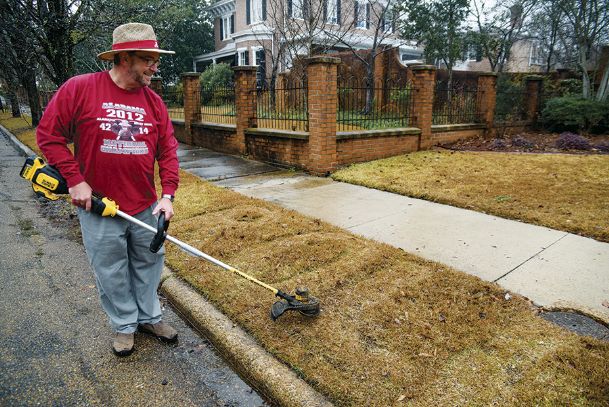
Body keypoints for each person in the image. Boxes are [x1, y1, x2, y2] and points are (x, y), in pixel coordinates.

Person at [36, 23, 180, 356]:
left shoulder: (154, 102)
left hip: (144, 205)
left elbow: (168, 151)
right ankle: (124, 325)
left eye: (155, 59)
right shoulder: (80, 89)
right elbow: (49, 136)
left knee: (148, 264)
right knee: (111, 270)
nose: (155, 66)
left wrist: (167, 195)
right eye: (148, 59)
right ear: (123, 57)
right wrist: (74, 178)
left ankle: (149, 317)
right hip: (98, 206)